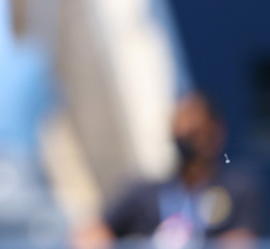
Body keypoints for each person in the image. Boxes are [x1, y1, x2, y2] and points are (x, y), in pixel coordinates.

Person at [74, 92, 260, 249]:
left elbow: (240, 241)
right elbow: (91, 234)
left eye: (195, 132)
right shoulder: (143, 193)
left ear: (216, 133)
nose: (185, 133)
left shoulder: (237, 189)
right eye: (180, 127)